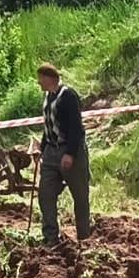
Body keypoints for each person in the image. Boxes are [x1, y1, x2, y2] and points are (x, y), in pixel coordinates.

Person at [36, 63, 92, 246]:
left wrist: (70, 154)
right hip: (51, 152)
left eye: (41, 78)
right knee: (45, 193)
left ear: (50, 78)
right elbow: (49, 127)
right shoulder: (47, 97)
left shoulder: (68, 96)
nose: (39, 82)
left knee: (80, 195)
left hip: (70, 151)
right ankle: (51, 236)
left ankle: (84, 237)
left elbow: (76, 127)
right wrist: (42, 148)